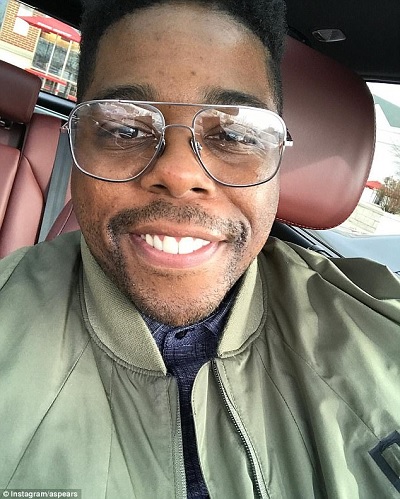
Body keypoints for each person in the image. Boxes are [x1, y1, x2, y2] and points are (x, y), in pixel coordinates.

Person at [0, 0, 399, 497]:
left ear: (278, 158)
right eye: (125, 128)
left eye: (234, 134)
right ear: (77, 142)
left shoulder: (381, 336)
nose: (179, 173)